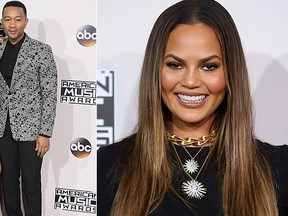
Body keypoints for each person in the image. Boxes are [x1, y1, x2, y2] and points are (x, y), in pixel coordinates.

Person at [97, 0, 288, 215]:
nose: (190, 81)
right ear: (155, 70)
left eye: (209, 66)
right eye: (175, 65)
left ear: (230, 73)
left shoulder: (278, 169)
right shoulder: (107, 165)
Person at [0, 1, 57, 215]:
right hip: (3, 131)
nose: (12, 24)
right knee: (8, 183)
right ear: (2, 22)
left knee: (31, 185)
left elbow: (50, 93)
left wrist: (45, 132)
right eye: (7, 19)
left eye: (17, 19)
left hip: (32, 132)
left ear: (25, 21)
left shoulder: (41, 50)